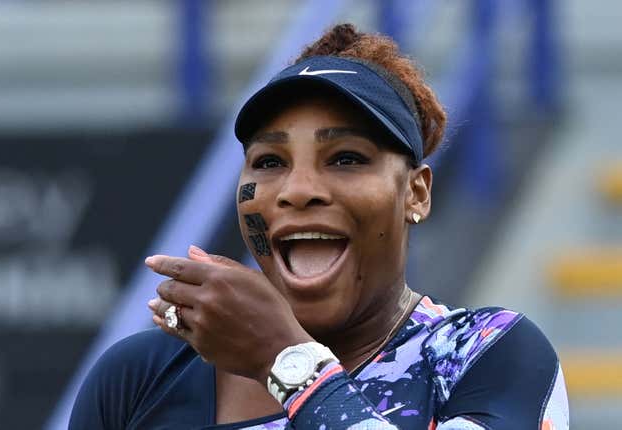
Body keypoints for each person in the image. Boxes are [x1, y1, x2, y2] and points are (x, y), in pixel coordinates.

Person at [69, 24, 569, 429]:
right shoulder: (138, 377)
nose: (297, 189)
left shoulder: (486, 353)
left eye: (346, 158)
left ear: (416, 193)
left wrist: (287, 361)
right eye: (268, 162)